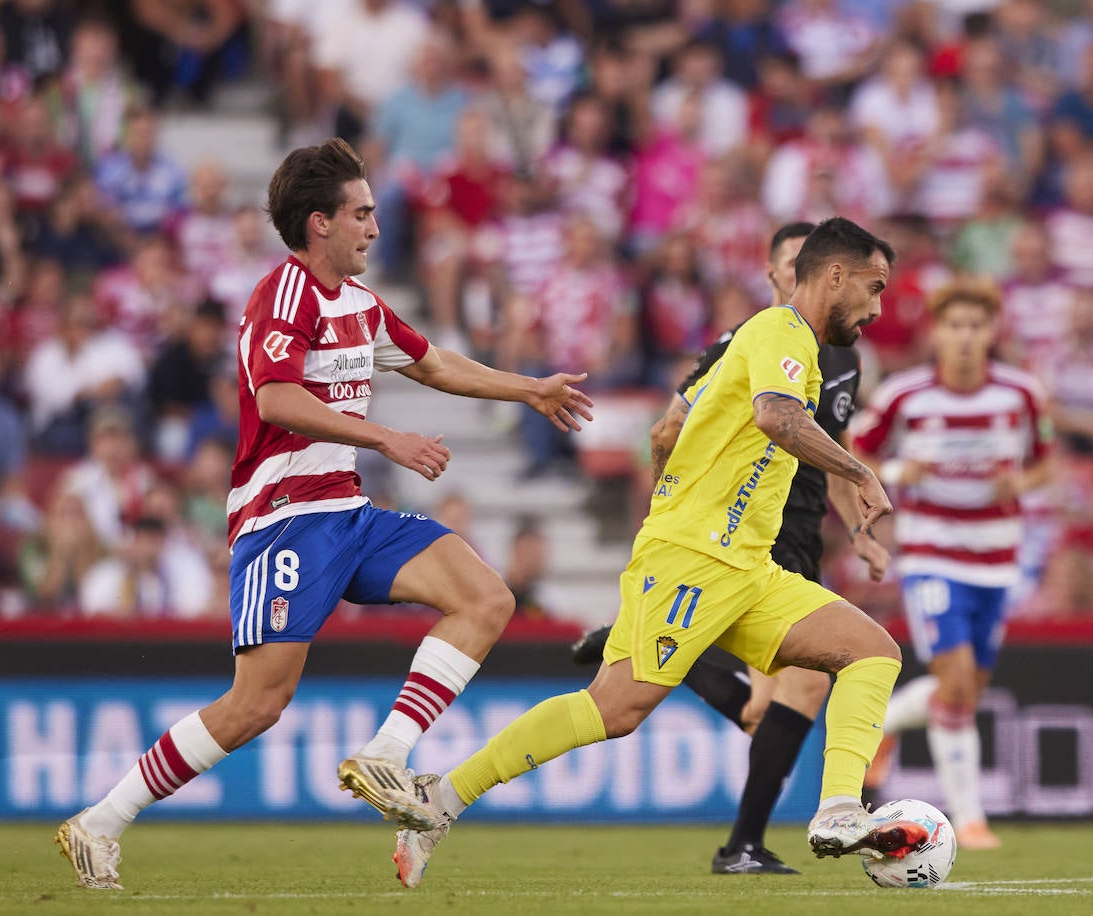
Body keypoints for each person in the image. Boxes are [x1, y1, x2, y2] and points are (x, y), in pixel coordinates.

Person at [55, 138, 594, 890]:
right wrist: (386, 438)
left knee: (486, 597)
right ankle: (100, 822)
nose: (376, 228)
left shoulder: (361, 304)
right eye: (362, 214)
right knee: (257, 705)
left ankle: (384, 756)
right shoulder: (284, 295)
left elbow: (433, 362)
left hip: (344, 509)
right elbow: (274, 397)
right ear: (319, 224)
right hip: (281, 518)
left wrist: (528, 389)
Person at [390, 217, 922, 890]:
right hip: (696, 561)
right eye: (873, 288)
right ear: (836, 275)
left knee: (872, 650)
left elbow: (673, 422)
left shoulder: (789, 348)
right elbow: (774, 417)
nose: (878, 307)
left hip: (748, 568)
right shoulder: (780, 332)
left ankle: (840, 811)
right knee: (614, 709)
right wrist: (858, 472)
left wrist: (678, 461)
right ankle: (442, 799)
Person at [573, 221, 891, 874]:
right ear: (779, 274)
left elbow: (833, 454)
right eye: (784, 262)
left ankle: (745, 839)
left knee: (765, 709)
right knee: (801, 692)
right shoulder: (744, 341)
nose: (789, 272)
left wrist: (858, 530)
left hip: (797, 529)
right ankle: (753, 841)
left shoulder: (844, 356)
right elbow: (671, 425)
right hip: (740, 533)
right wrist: (668, 506)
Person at [852, 278, 1053, 851]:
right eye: (954, 326)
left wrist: (1021, 481)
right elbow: (857, 449)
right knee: (957, 681)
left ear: (991, 333)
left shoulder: (1021, 394)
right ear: (936, 332)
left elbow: (1046, 463)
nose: (965, 337)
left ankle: (882, 724)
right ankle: (969, 820)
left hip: (997, 556)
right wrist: (894, 474)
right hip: (933, 553)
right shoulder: (904, 395)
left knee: (966, 692)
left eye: (975, 326)